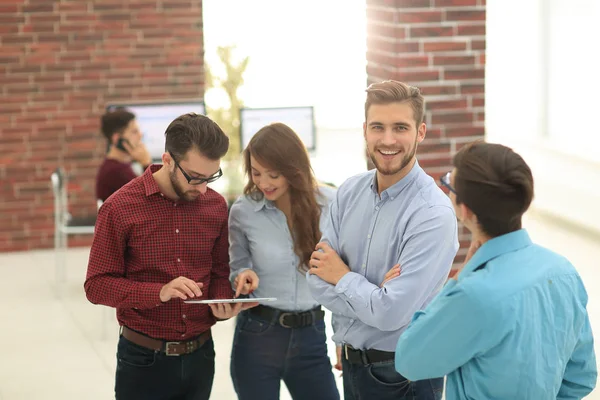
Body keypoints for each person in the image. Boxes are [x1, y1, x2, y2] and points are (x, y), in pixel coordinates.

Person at [395, 141, 597, 399]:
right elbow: (582, 378)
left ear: (464, 211)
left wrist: (459, 278)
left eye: (448, 183)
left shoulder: (471, 294)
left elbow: (409, 360)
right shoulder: (563, 271)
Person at [84, 113, 257, 400]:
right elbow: (97, 285)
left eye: (210, 177)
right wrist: (160, 292)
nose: (203, 189)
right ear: (167, 160)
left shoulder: (215, 206)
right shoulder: (119, 208)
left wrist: (225, 299)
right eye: (195, 178)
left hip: (201, 356)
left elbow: (218, 272)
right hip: (143, 359)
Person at [306, 80, 459, 400]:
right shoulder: (348, 192)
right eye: (378, 127)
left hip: (405, 375)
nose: (387, 140)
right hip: (352, 367)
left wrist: (344, 276)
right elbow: (317, 281)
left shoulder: (432, 214)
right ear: (365, 130)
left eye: (400, 128)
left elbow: (391, 314)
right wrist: (374, 293)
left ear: (420, 132)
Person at [228, 123, 340, 400]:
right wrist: (242, 275)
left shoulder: (331, 203)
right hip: (257, 336)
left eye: (273, 174)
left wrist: (343, 336)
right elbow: (237, 265)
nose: (263, 182)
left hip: (312, 335)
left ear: (294, 169)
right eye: (256, 173)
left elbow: (344, 276)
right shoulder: (244, 211)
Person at [96, 108, 152, 202]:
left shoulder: (119, 165)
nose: (140, 135)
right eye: (134, 132)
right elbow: (153, 198)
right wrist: (146, 163)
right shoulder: (116, 171)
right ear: (117, 139)